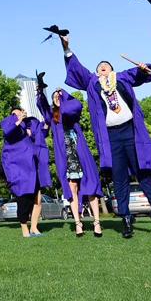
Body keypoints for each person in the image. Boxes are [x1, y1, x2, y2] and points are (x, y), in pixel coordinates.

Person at [60, 34, 151, 238]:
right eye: (99, 66)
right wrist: (66, 48)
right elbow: (76, 68)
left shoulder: (123, 77)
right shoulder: (92, 83)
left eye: (106, 66)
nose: (102, 67)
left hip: (130, 132)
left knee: (143, 174)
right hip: (111, 137)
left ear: (112, 69)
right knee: (119, 179)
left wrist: (147, 70)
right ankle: (126, 219)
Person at [37, 88, 104, 237]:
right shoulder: (52, 116)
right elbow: (42, 106)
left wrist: (64, 94)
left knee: (91, 186)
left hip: (80, 152)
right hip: (65, 156)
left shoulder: (72, 112)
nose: (57, 97)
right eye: (54, 96)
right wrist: (40, 91)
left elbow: (75, 104)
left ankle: (97, 222)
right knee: (72, 187)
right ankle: (78, 223)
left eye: (59, 96)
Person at [1, 108, 49, 237]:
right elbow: (7, 131)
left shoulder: (27, 126)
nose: (20, 114)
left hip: (32, 166)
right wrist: (19, 120)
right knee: (24, 198)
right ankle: (24, 228)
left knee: (37, 198)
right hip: (19, 168)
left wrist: (46, 123)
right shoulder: (9, 123)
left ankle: (34, 227)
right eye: (16, 113)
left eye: (21, 112)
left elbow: (41, 135)